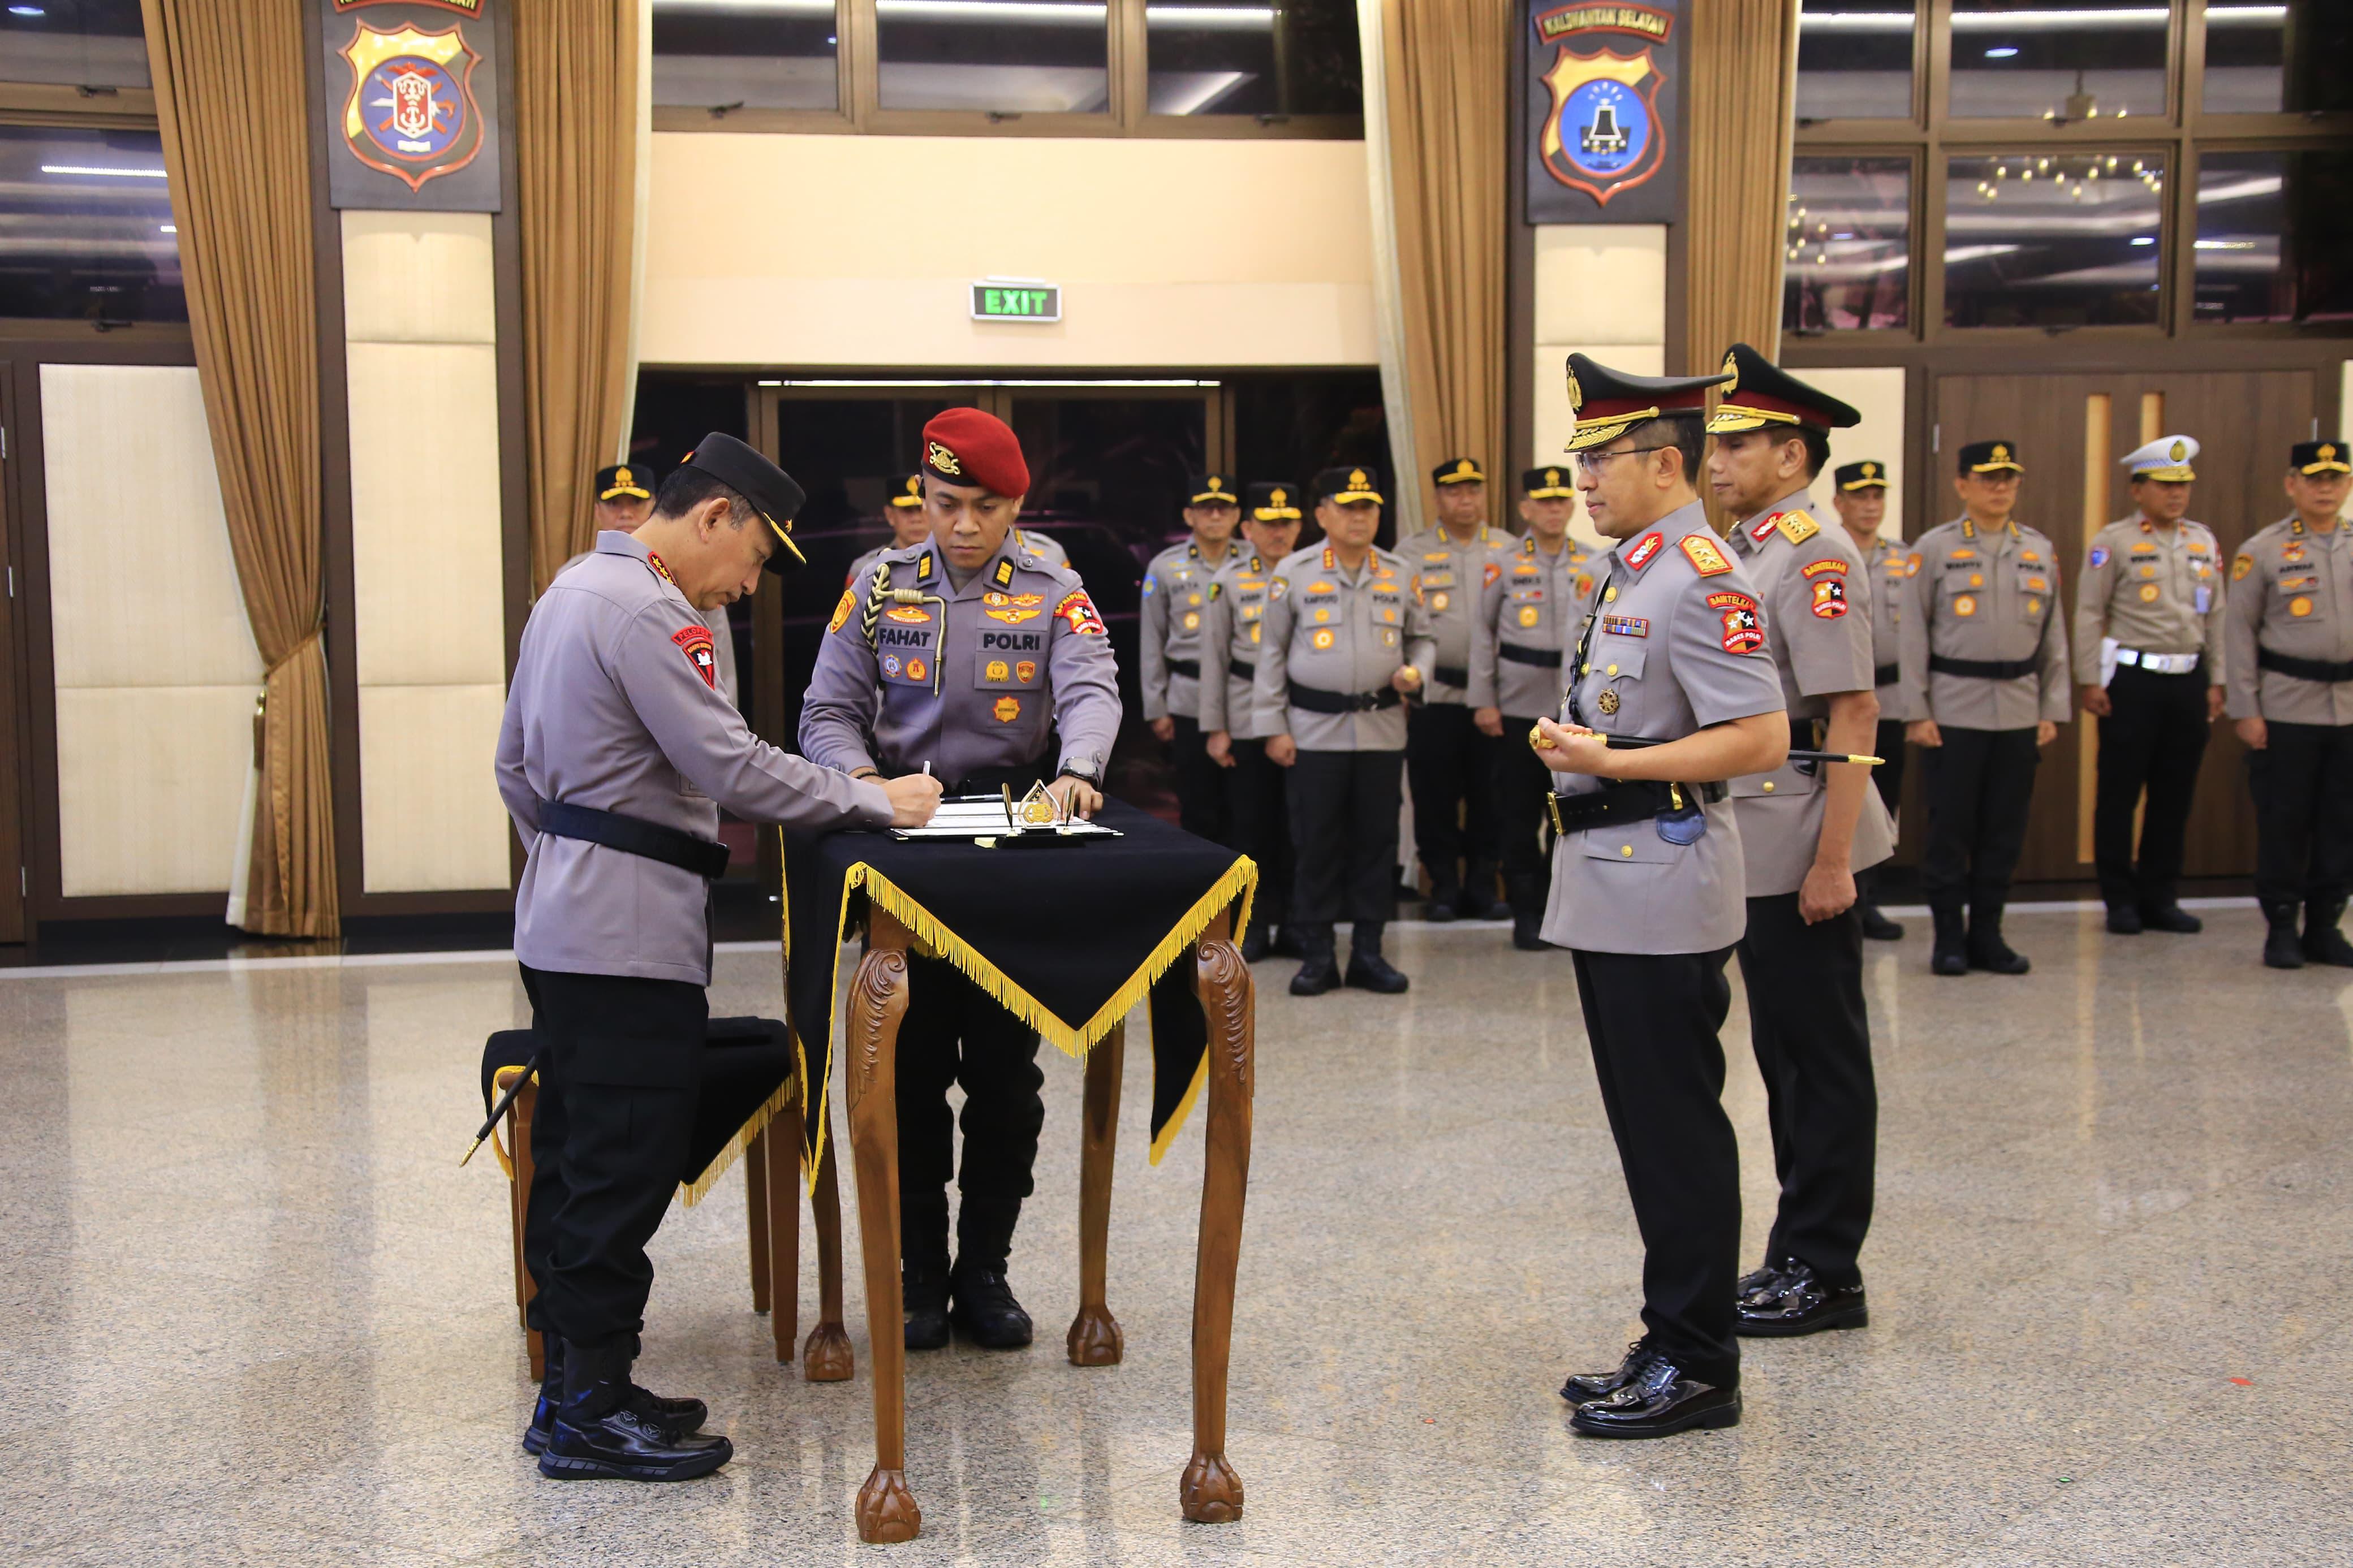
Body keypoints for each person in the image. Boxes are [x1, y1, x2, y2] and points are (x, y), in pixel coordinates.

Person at [498, 434, 942, 1483]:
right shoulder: (655, 609)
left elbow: (517, 766)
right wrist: (876, 799)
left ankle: (579, 1382)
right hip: (630, 933)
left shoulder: (571, 588)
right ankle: (587, 1413)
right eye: (753, 558)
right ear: (714, 517)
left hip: (565, 919)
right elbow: (728, 764)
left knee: (574, 1154)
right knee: (621, 1163)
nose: (746, 587)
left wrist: (573, 855)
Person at [800, 407, 1121, 1353]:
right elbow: (828, 708)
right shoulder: (876, 585)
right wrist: (863, 786)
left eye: (987, 506)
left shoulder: (1054, 583)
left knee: (1004, 1077)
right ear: (923, 499)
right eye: (948, 504)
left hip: (1011, 846)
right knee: (905, 1070)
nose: (967, 525)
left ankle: (987, 1267)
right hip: (905, 845)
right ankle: (918, 1273)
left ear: (1018, 502)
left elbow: (1092, 688)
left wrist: (1081, 769)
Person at [1539, 355, 1789, 1439]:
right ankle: (1671, 1330)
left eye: (1603, 460)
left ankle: (1700, 1364)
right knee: (1649, 1130)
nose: (1584, 480)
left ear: (1665, 463)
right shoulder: (1632, 567)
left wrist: (1613, 757)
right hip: (1613, 880)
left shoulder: (1699, 574)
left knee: (1676, 1130)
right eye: (1581, 459)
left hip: (1661, 879)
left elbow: (1761, 736)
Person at [1705, 344, 1893, 1339]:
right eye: (1716, 444)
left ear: (1791, 452)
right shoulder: (1752, 547)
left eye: (1738, 444)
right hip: (1762, 830)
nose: (1718, 460)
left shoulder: (1816, 553)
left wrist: (1832, 861)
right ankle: (1797, 1250)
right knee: (1781, 1054)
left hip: (1804, 834)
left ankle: (1828, 1268)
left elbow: (1854, 714)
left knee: (1820, 1059)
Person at [1252, 465, 1435, 996]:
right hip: (1313, 733)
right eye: (1349, 507)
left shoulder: (1400, 572)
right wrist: (1273, 727)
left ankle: (1369, 952)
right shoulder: (1295, 571)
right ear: (1323, 515)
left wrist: (1416, 670)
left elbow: (1422, 638)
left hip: (1381, 731)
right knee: (1316, 844)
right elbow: (1271, 655)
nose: (1360, 517)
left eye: (1369, 508)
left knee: (1376, 843)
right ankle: (1316, 955)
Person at [1897, 441, 2071, 977]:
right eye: (1988, 477)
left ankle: (1989, 935)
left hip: (2019, 710)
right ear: (1962, 484)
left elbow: (2054, 637)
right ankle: (1949, 938)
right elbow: (1911, 636)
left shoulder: (2038, 549)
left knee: (2004, 830)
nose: (2000, 487)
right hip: (1953, 711)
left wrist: (2052, 706)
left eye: (2008, 478)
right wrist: (1916, 711)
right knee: (1950, 830)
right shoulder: (1935, 548)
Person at [2075, 436, 2227, 935]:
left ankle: (2161, 896)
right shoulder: (2113, 541)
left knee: (2174, 794)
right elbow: (2090, 613)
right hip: (2133, 680)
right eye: (2165, 485)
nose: (2176, 495)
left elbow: (2217, 615)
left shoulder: (2202, 540)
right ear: (2138, 489)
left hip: (2188, 679)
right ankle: (2120, 899)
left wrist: (2217, 678)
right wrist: (2088, 679)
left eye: (2183, 485)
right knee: (2120, 793)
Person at [2225, 440, 2353, 969]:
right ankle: (2281, 925)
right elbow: (2237, 632)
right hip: (2286, 708)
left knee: (2342, 821)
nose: (2325, 487)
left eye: (2336, 478)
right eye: (2314, 477)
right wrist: (2245, 709)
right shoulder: (2265, 550)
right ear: (2291, 484)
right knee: (2285, 819)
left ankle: (2325, 925)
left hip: (2349, 709)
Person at [1468, 465, 1596, 949]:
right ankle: (1525, 908)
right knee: (1518, 814)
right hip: (1518, 707)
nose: (1554, 509)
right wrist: (1484, 701)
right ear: (1525, 509)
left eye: (1562, 500)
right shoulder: (1502, 561)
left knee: (1569, 811)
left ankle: (1559, 909)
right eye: (1543, 502)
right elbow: (1483, 635)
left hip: (1572, 710)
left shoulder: (1592, 560)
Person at [1395, 459, 1512, 921]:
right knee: (1435, 796)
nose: (1466, 500)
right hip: (1436, 697)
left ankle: (1484, 884)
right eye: (1454, 491)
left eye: (1474, 490)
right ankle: (1443, 885)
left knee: (1492, 796)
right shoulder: (1411, 553)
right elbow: (1400, 625)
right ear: (1437, 499)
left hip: (1494, 699)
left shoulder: (1507, 549)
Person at [1201, 481, 1305, 961]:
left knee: (1301, 827)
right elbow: (1215, 657)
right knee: (1253, 827)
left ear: (1301, 525)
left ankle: (1300, 924)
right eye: (1269, 523)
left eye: (1287, 523)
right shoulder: (1229, 580)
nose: (1278, 532)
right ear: (1249, 528)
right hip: (1244, 716)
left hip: (1304, 720)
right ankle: (1255, 924)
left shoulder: (1311, 574)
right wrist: (1215, 727)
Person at [1831, 460, 1911, 940]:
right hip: (1840, 699)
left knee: (1885, 800)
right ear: (1840, 502)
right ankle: (1846, 891)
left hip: (1892, 695)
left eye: (1878, 495)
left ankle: (1872, 898)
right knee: (1844, 797)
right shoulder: (1826, 551)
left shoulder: (1905, 557)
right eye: (1860, 496)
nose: (1871, 505)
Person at [1142, 475, 1242, 842]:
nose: (1215, 515)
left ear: (1237, 515)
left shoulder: (1254, 563)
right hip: (1188, 698)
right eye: (1205, 508)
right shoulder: (1165, 567)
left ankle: (1249, 893)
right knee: (1198, 803)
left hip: (1243, 698)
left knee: (1246, 806)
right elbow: (1152, 639)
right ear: (1189, 515)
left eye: (1224, 507)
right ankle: (1207, 895)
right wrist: (1157, 707)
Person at [594, 462, 739, 707]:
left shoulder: (693, 579)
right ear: (597, 512)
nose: (626, 514)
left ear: (655, 507)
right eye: (613, 504)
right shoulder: (570, 578)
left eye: (636, 503)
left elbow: (720, 672)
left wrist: (729, 733)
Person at [844, 473, 936, 587]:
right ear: (890, 515)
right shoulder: (866, 570)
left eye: (922, 508)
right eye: (907, 510)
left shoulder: (953, 566)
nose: (917, 519)